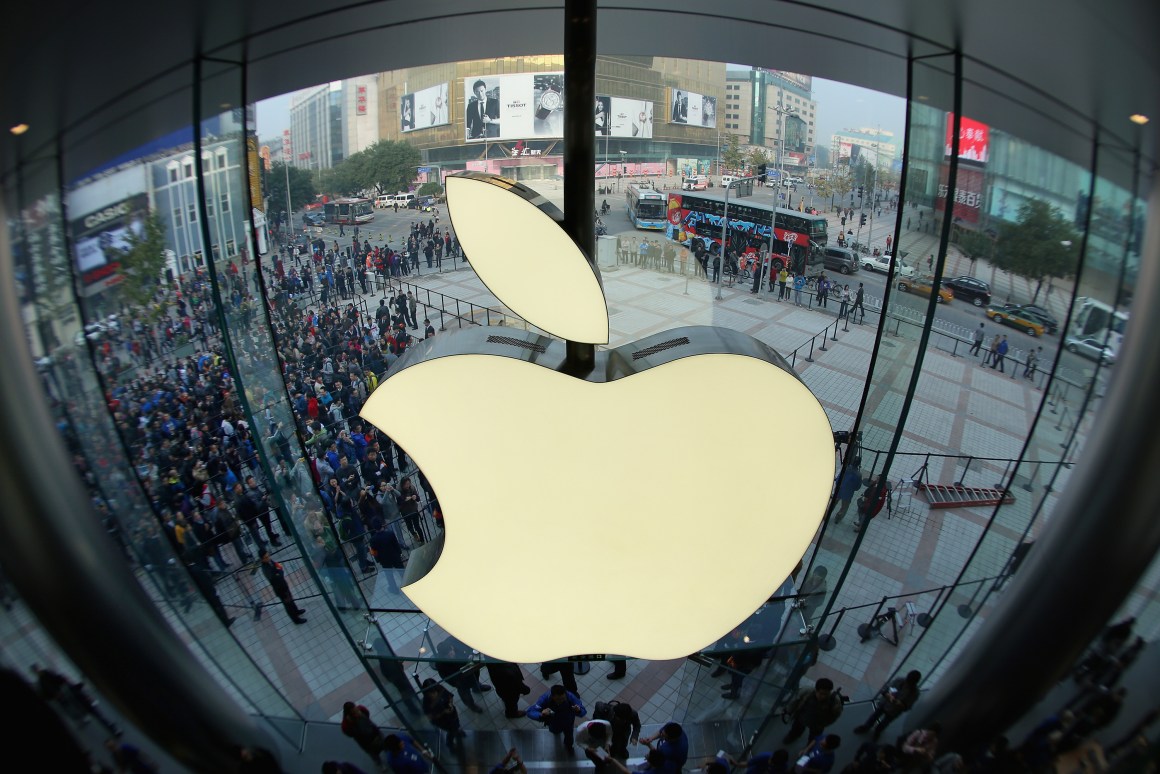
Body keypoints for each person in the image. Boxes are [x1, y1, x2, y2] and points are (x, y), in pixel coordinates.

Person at [854, 670, 922, 738]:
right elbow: (886, 689)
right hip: (885, 704)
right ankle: (866, 727)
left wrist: (899, 703)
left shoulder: (915, 693)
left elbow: (907, 706)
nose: (907, 683)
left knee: (884, 723)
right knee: (874, 716)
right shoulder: (899, 681)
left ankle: (877, 731)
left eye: (909, 683)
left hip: (894, 710)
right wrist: (888, 695)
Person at [527, 684, 587, 756]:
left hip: (568, 722)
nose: (561, 701)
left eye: (563, 699)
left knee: (569, 737)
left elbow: (583, 711)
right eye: (558, 699)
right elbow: (530, 712)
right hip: (554, 723)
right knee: (555, 731)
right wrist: (541, 715)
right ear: (552, 696)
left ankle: (569, 746)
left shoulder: (570, 697)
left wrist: (579, 710)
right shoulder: (545, 699)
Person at [783, 679, 844, 744]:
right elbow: (795, 701)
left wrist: (824, 724)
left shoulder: (835, 702)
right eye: (821, 694)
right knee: (796, 729)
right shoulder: (807, 692)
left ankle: (809, 746)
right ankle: (793, 736)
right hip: (802, 717)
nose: (823, 696)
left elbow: (835, 716)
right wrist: (788, 710)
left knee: (814, 738)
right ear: (816, 690)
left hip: (818, 724)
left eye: (826, 694)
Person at [259, 549, 307, 624]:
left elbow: (279, 567)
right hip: (280, 589)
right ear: (262, 559)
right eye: (266, 557)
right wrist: (279, 571)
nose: (269, 558)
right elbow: (276, 576)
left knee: (290, 599)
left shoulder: (270, 562)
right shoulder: (265, 568)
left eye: (268, 556)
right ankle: (295, 619)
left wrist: (278, 571)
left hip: (283, 585)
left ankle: (296, 611)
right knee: (288, 604)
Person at [340, 701, 387, 769]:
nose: (356, 711)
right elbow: (349, 733)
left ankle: (386, 753)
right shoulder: (346, 724)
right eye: (354, 711)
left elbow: (367, 715)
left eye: (355, 708)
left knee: (383, 743)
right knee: (373, 752)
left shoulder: (361, 709)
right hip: (365, 740)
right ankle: (380, 764)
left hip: (374, 732)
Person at [421, 678, 466, 747]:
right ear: (427, 693)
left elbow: (450, 696)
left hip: (452, 714)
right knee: (451, 731)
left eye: (435, 691)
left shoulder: (440, 689)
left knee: (456, 724)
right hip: (442, 720)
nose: (435, 694)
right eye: (432, 693)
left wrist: (450, 704)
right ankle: (449, 742)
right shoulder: (426, 703)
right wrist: (443, 712)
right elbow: (431, 717)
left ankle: (457, 731)